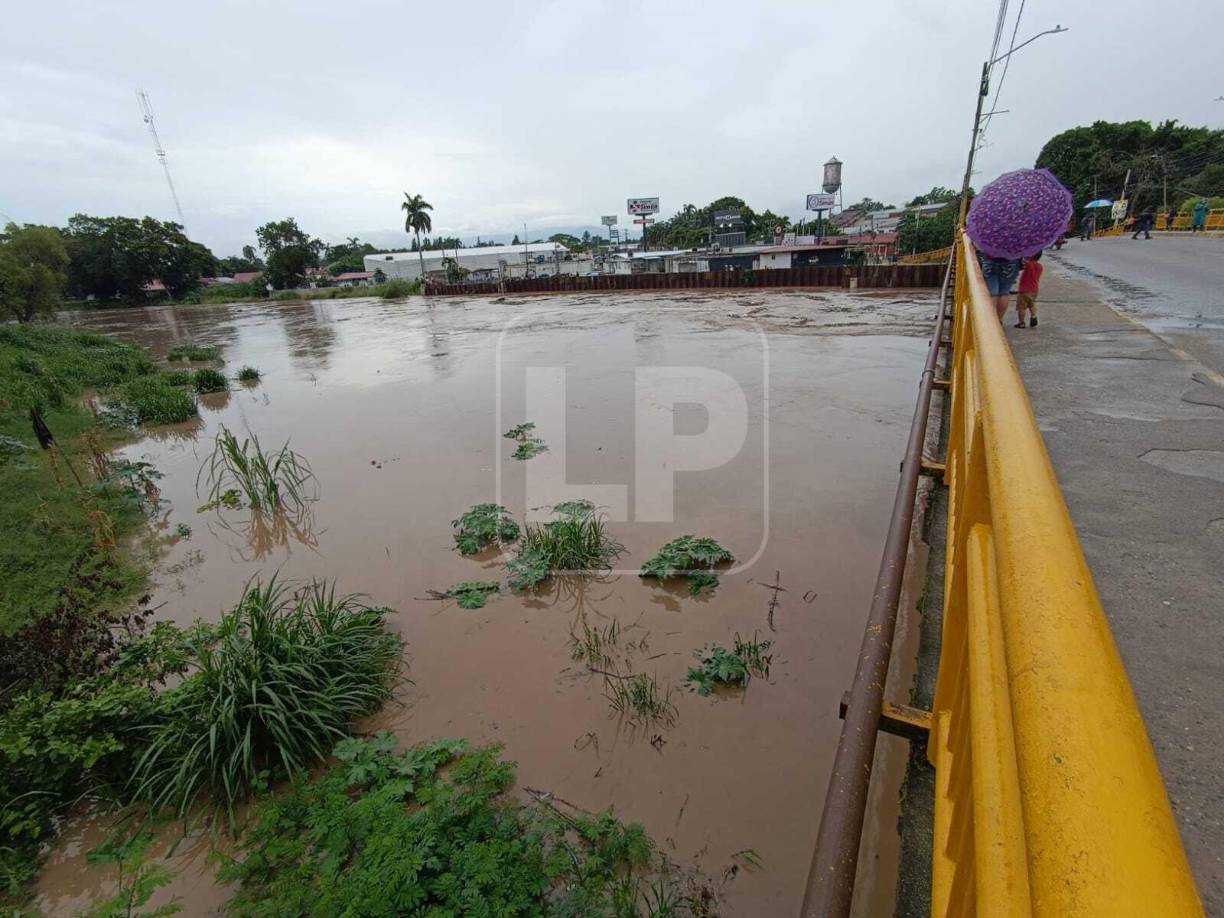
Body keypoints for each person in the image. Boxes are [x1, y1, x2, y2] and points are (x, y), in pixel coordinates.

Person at [978, 253, 1022, 322]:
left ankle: (990, 320)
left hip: (990, 260)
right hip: (1010, 262)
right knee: (1004, 292)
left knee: (992, 293)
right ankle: (999, 321)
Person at [1014, 251, 1043, 328]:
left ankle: (1021, 323)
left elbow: (1022, 264)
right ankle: (1033, 316)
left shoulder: (1028, 264)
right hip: (1034, 290)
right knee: (1031, 304)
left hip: (1024, 290)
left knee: (1021, 307)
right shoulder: (1040, 266)